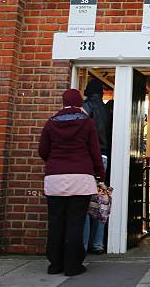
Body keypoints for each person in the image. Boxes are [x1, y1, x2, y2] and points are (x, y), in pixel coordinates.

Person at [39, 89, 105, 277]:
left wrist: (55, 162)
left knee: (56, 222)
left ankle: (55, 264)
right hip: (81, 178)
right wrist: (100, 175)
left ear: (63, 102)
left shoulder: (50, 123)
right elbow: (94, 153)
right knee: (75, 222)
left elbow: (43, 150)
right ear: (78, 103)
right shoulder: (87, 123)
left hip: (54, 179)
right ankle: (73, 265)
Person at [82, 79, 112, 254]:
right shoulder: (106, 108)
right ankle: (98, 243)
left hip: (89, 158)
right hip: (105, 157)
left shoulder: (86, 107)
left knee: (85, 204)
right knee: (101, 203)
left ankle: (83, 244)